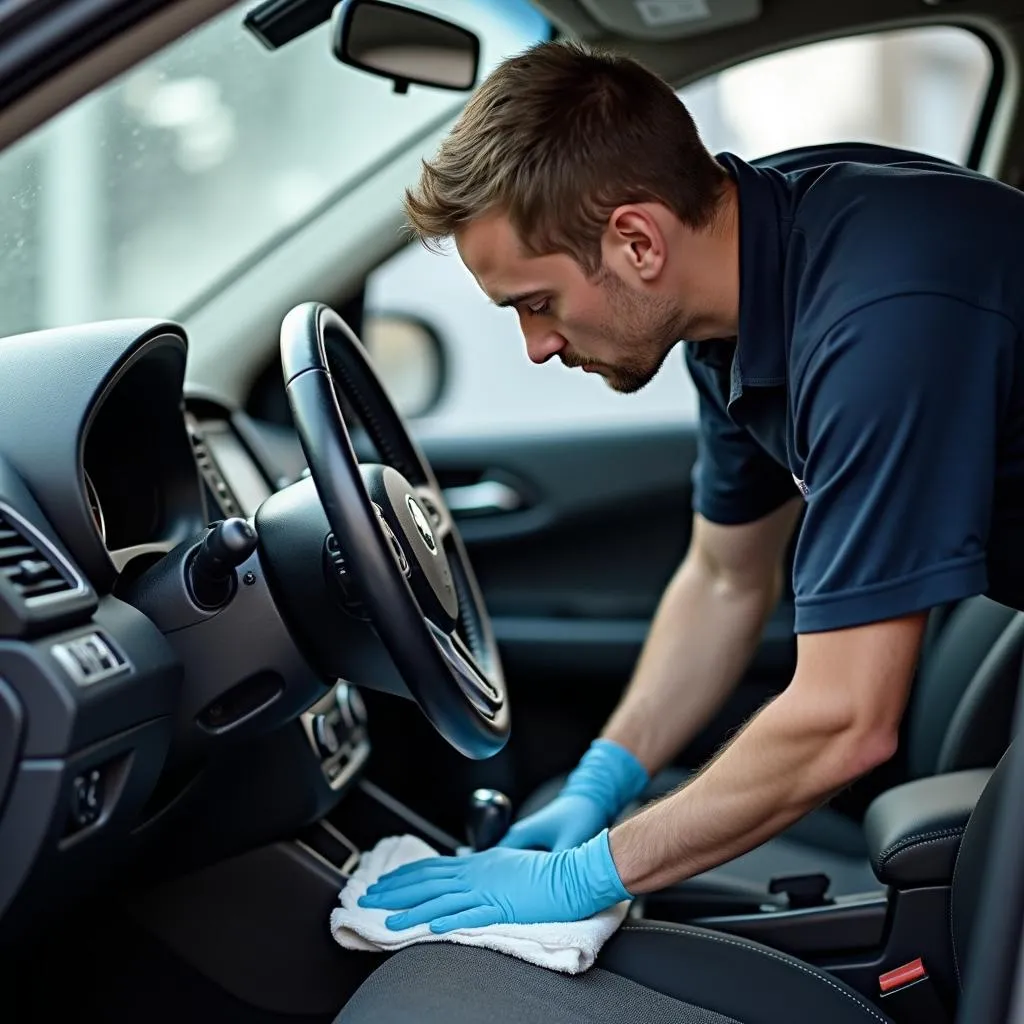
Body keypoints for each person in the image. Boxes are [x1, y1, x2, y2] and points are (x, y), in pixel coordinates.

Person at [358, 39, 1024, 933]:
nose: (537, 346)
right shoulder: (742, 287)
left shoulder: (878, 324)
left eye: (537, 302)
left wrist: (583, 879)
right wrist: (609, 775)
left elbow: (846, 719)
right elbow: (724, 577)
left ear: (636, 240)